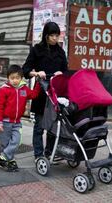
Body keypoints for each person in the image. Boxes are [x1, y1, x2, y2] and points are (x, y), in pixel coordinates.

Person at [22, 22, 68, 160]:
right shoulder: (37, 49)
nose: (55, 38)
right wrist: (37, 73)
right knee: (39, 127)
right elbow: (25, 70)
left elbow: (66, 71)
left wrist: (61, 73)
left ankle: (49, 153)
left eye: (57, 35)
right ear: (46, 36)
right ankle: (38, 155)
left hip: (55, 94)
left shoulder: (60, 52)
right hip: (41, 93)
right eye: (52, 35)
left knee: (53, 127)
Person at [0, 65, 40, 172]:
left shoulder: (24, 89)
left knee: (16, 141)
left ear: (21, 78)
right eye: (12, 78)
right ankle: (10, 161)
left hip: (17, 123)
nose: (15, 80)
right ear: (8, 78)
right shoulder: (3, 90)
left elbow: (34, 95)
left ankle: (3, 158)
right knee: (6, 144)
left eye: (17, 78)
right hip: (4, 122)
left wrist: (38, 83)